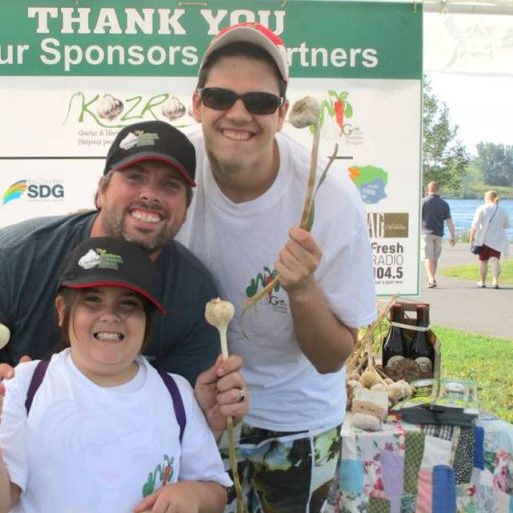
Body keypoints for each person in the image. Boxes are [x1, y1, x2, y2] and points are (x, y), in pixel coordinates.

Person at [0, 119, 247, 434]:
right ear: (101, 191)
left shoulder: (194, 292)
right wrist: (1, 400)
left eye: (170, 185)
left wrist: (207, 412)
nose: (150, 195)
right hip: (18, 458)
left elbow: (181, 417)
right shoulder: (14, 256)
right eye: (135, 178)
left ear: (186, 208)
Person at [175, 22, 377, 512]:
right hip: (196, 411)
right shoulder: (172, 170)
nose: (239, 113)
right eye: (221, 96)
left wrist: (303, 288)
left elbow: (333, 358)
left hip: (296, 421)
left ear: (283, 114)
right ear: (198, 103)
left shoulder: (330, 201)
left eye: (260, 101)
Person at [0, 237, 232, 513]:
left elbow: (215, 490)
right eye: (92, 300)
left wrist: (193, 495)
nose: (110, 316)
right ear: (62, 311)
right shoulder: (24, 386)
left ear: (148, 320)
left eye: (128, 304)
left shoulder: (177, 393)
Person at [470, 190, 510, 288]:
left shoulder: (482, 208)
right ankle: (495, 282)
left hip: (483, 239)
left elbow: (475, 224)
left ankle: (482, 282)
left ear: (487, 198)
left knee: (483, 261)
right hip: (497, 240)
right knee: (495, 260)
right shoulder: (502, 210)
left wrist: (471, 237)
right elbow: (506, 225)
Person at [421, 181, 456, 288]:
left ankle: (431, 278)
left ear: (428, 189)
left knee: (428, 257)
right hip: (439, 234)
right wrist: (453, 235)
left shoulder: (422, 202)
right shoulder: (444, 204)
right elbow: (449, 221)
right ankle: (432, 278)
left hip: (425, 233)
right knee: (434, 259)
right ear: (438, 190)